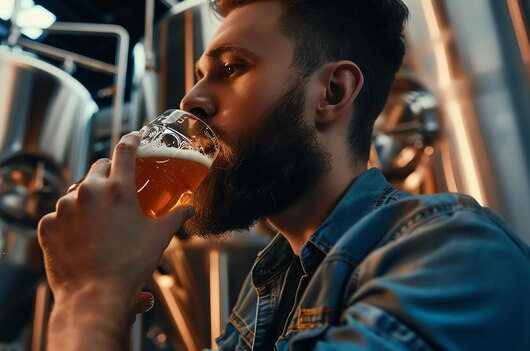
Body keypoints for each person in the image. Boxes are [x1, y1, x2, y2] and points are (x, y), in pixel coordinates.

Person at [37, 0, 530, 350]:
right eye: (197, 76)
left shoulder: (451, 249)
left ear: (333, 92)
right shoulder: (258, 300)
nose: (191, 101)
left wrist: (90, 300)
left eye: (231, 68)